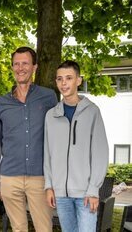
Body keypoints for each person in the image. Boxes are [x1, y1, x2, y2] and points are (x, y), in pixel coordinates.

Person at [0, 46, 58, 232]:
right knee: (18, 229)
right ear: (12, 67)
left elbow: (56, 136)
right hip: (9, 176)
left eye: (25, 64)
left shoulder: (48, 97)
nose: (20, 68)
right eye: (16, 64)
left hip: (39, 176)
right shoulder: (0, 104)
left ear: (35, 67)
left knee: (44, 228)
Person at [44, 60, 109, 232]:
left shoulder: (92, 112)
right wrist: (49, 186)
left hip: (85, 194)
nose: (63, 83)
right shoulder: (51, 116)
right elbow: (47, 154)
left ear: (78, 81)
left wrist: (94, 189)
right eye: (59, 79)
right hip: (61, 194)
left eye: (68, 78)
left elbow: (100, 154)